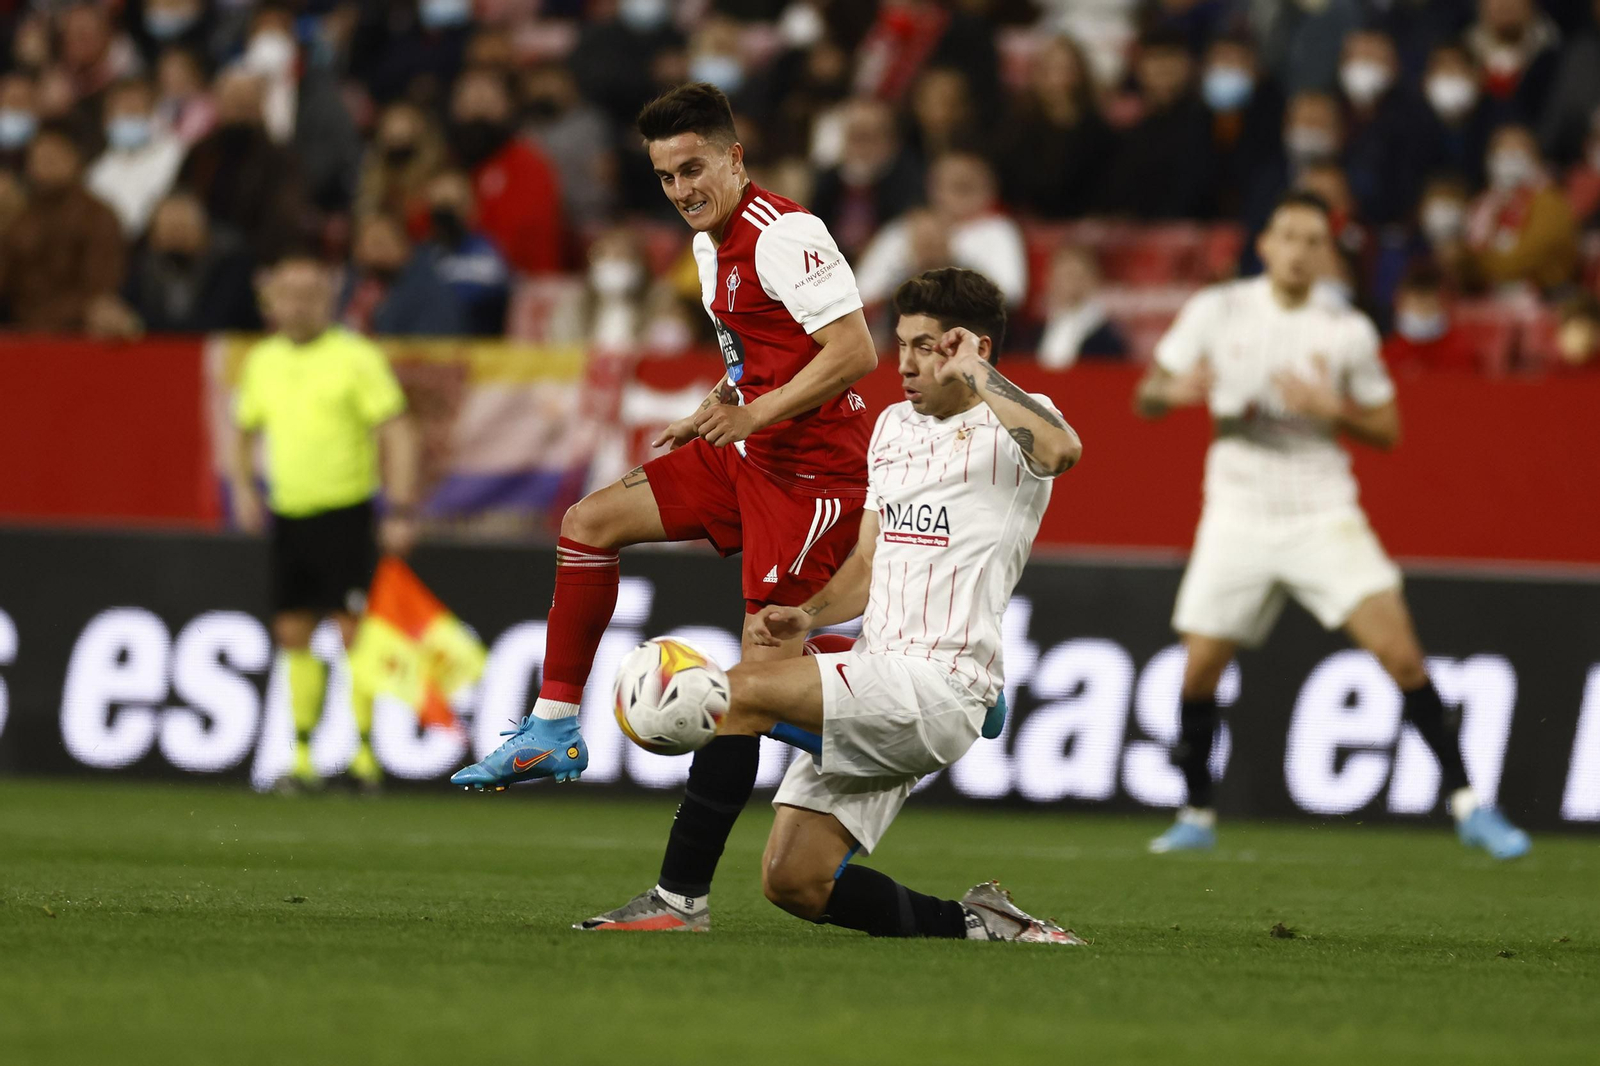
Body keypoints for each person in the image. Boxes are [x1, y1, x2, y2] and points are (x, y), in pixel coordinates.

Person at [449, 83, 879, 916]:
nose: (683, 190)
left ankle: (926, 682)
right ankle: (552, 729)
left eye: (694, 169)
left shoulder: (785, 233)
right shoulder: (707, 246)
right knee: (587, 523)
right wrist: (720, 403)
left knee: (757, 680)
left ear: (734, 158)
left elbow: (854, 350)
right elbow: (760, 355)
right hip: (744, 447)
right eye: (665, 177)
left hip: (815, 478)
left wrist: (753, 410)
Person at [580, 268, 1084, 940]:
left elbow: (1062, 451)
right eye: (901, 343)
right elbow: (870, 562)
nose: (903, 362)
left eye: (927, 347)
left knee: (731, 695)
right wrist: (812, 614)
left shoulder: (1012, 426)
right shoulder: (893, 429)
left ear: (972, 350)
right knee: (796, 881)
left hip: (939, 682)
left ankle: (677, 903)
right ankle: (984, 924)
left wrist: (978, 377)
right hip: (880, 673)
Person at [1133, 191, 1531, 861]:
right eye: (1286, 235)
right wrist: (1169, 394)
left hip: (1322, 509)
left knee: (1401, 655)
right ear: (1265, 245)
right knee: (1199, 670)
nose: (1297, 249)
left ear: (1325, 254)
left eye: (1311, 240)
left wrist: (1332, 406)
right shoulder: (1216, 309)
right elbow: (1145, 394)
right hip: (1237, 509)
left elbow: (1389, 428)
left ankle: (1469, 805)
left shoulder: (1345, 331)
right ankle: (1196, 813)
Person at [231, 255, 421, 792]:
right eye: (288, 293)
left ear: (328, 300)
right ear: (272, 302)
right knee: (291, 630)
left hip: (345, 513)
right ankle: (302, 758)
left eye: (310, 293)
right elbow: (243, 430)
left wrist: (401, 507)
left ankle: (363, 758)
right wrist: (244, 489)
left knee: (352, 631)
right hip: (289, 514)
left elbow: (397, 431)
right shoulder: (261, 360)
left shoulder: (355, 357)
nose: (298, 304)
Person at [855, 150, 1028, 308]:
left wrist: (950, 263)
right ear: (932, 187)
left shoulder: (998, 229)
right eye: (953, 186)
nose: (959, 197)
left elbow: (1010, 295)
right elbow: (863, 295)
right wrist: (912, 271)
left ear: (990, 189)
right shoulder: (902, 229)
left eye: (967, 186)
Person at [0, 123, 125, 334]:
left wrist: (45, 323)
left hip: (76, 335)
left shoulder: (97, 216)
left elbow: (99, 288)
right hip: (18, 333)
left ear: (76, 159)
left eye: (54, 156)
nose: (44, 163)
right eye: (38, 157)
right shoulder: (20, 214)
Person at [447, 67, 563, 276]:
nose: (478, 113)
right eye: (470, 103)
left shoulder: (528, 163)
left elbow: (531, 238)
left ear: (508, 107)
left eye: (486, 102)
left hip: (518, 285)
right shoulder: (442, 164)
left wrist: (471, 214)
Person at [1095, 29, 1213, 220]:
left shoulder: (1209, 119)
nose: (1163, 68)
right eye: (1155, 59)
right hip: (1131, 233)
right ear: (1139, 68)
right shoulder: (1121, 124)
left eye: (1171, 58)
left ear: (1189, 65)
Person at [122, 191, 261, 333]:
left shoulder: (232, 261)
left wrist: (140, 324)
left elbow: (212, 323)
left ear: (204, 229)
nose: (177, 239)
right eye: (169, 231)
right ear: (153, 238)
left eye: (183, 228)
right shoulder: (147, 264)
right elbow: (126, 309)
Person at [1462, 123, 1577, 291]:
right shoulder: (1483, 205)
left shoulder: (1550, 203)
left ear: (1534, 159)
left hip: (1542, 297)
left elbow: (1524, 259)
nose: (1509, 162)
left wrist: (1478, 263)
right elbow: (1469, 254)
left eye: (1516, 155)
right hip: (1490, 297)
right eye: (1502, 155)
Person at [339, 211, 467, 337]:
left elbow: (429, 346)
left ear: (404, 245)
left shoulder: (429, 291)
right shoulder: (353, 285)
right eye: (367, 241)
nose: (375, 250)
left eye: (381, 242)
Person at [86, 76, 185, 237]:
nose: (130, 117)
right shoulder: (97, 172)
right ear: (107, 120)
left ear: (154, 113)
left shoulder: (175, 155)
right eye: (123, 111)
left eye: (136, 109)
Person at [1035, 245, 1128, 368]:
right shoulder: (1036, 332)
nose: (1069, 284)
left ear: (1093, 279)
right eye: (1063, 275)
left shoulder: (1107, 338)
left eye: (1075, 275)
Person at [1382, 261, 1479, 374]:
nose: (1421, 314)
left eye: (1430, 306)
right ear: (1398, 304)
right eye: (1415, 305)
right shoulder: (1387, 355)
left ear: (1446, 306)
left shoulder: (1463, 354)